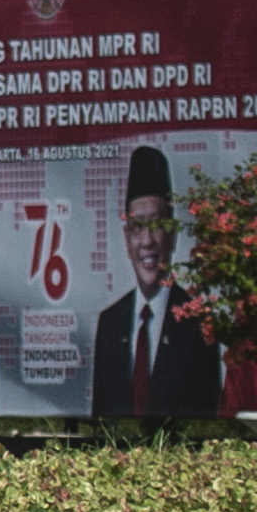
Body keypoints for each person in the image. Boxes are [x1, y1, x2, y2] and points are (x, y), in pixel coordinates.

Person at [91, 144, 223, 418]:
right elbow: (99, 422)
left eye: (156, 225)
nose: (147, 241)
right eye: (138, 227)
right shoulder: (109, 323)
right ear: (127, 240)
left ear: (172, 235)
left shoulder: (199, 323)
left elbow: (211, 423)